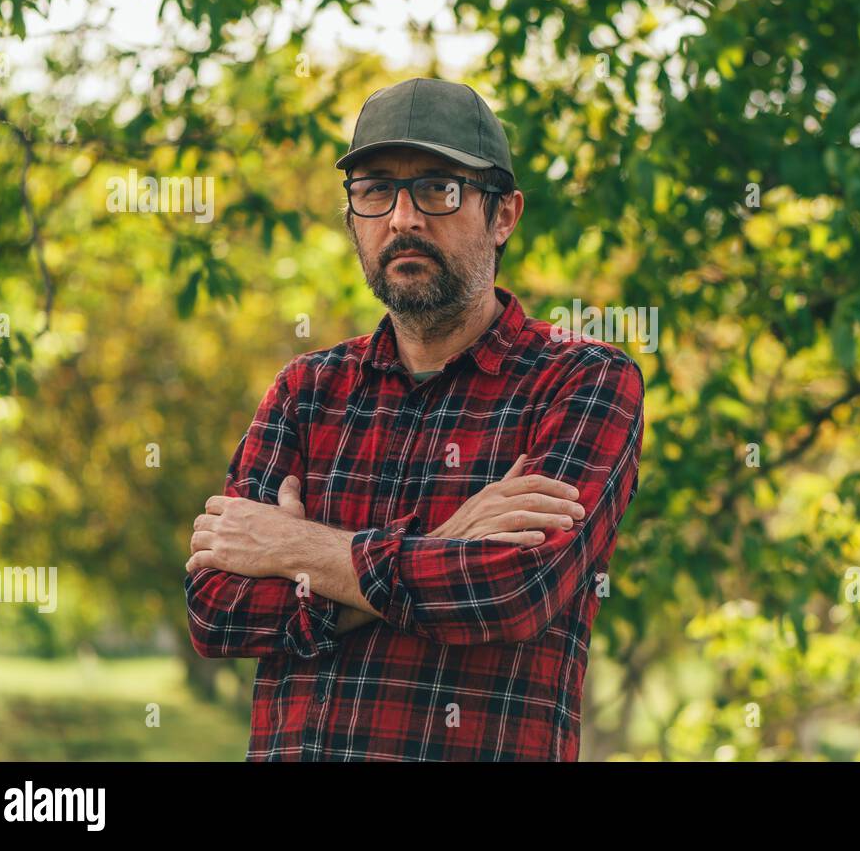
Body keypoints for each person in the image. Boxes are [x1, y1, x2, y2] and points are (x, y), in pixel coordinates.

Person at [184, 77, 645, 761]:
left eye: (439, 188)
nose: (403, 219)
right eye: (375, 191)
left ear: (504, 214)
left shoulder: (582, 380)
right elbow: (215, 610)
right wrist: (446, 543)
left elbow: (510, 591)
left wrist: (292, 549)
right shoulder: (306, 392)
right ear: (353, 220)